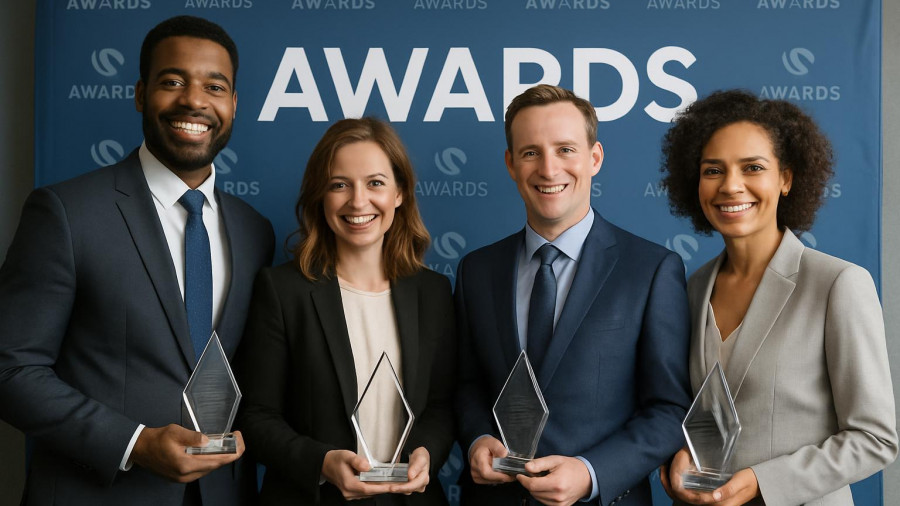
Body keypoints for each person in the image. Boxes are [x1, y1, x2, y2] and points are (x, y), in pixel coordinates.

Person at [0, 15, 274, 506]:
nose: (194, 100)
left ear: (233, 105)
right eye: (173, 82)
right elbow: (10, 368)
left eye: (215, 86)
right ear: (140, 93)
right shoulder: (65, 213)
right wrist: (135, 443)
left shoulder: (255, 231)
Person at [454, 84, 692, 506]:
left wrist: (592, 472)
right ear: (511, 164)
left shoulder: (652, 269)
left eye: (565, 149)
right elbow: (467, 383)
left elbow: (670, 409)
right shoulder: (477, 270)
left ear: (594, 158)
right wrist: (476, 440)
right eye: (531, 153)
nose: (548, 169)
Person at [659, 89, 898, 506]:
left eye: (752, 167)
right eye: (713, 170)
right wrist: (677, 458)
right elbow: (695, 416)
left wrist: (761, 482)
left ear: (786, 178)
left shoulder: (838, 284)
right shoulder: (691, 289)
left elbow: (875, 439)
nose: (731, 186)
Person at [234, 117, 456, 505]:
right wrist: (321, 462)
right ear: (321, 196)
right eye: (340, 185)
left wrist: (426, 454)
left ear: (399, 192)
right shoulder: (283, 290)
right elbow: (256, 416)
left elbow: (440, 406)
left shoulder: (433, 293)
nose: (358, 201)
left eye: (375, 183)